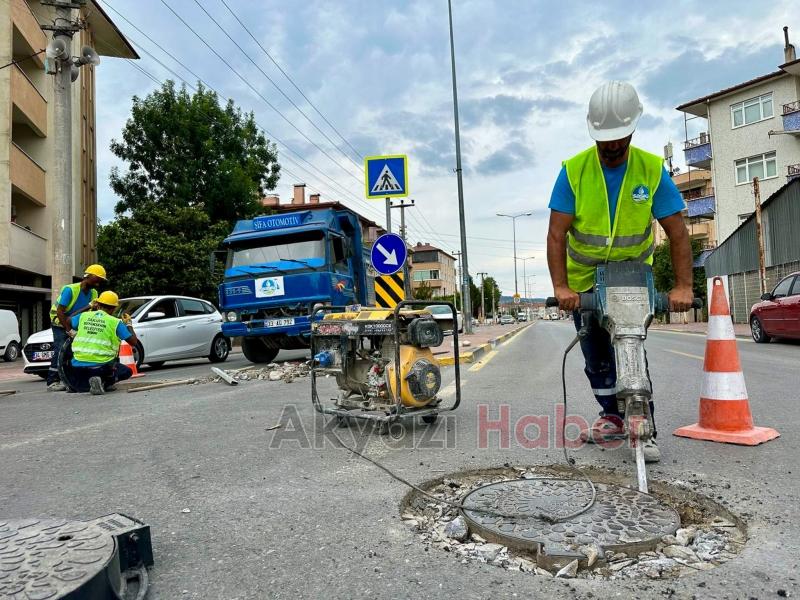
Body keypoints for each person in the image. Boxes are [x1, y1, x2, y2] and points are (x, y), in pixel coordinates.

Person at [546, 81, 694, 463]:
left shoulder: (651, 170)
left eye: (619, 138)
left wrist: (682, 286)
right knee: (596, 357)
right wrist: (561, 287)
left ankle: (645, 424)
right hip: (584, 284)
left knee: (630, 349)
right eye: (604, 140)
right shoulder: (573, 172)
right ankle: (611, 417)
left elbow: (677, 232)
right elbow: (557, 234)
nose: (612, 146)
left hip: (632, 279)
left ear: (632, 129)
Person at [46, 264, 107, 391]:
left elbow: (89, 313)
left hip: (75, 322)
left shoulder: (94, 293)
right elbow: (60, 312)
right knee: (60, 349)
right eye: (97, 279)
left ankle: (69, 379)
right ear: (88, 276)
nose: (98, 283)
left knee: (74, 351)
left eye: (101, 280)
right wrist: (69, 330)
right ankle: (52, 381)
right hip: (60, 322)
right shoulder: (70, 290)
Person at [67, 291, 138, 395]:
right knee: (127, 371)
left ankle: (80, 385)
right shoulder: (115, 322)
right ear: (114, 308)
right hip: (101, 367)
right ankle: (104, 383)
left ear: (98, 304)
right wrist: (128, 324)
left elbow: (68, 320)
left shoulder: (83, 316)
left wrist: (88, 306)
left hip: (77, 367)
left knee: (80, 383)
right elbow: (133, 341)